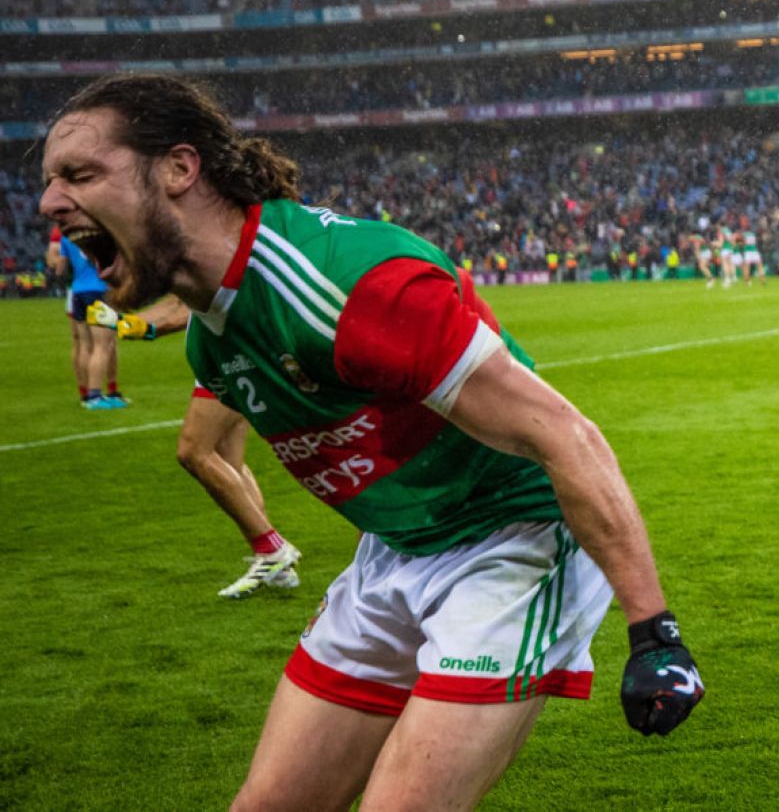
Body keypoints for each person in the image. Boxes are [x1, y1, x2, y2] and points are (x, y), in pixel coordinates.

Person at [40, 73, 703, 810]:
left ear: (178, 168)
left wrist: (655, 632)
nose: (49, 201)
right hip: (394, 551)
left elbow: (566, 434)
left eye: (80, 173)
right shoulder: (213, 342)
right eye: (50, 180)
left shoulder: (350, 287)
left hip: (512, 538)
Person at [88, 295, 303, 599]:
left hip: (236, 356)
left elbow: (189, 309)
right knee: (230, 462)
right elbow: (178, 301)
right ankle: (274, 563)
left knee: (193, 451)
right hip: (224, 355)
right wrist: (122, 320)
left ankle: (271, 549)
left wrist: (140, 326)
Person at [46, 226, 128, 408]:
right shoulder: (102, 235)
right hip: (99, 290)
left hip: (77, 291)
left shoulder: (68, 237)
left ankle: (86, 394)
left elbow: (60, 268)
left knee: (84, 344)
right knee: (103, 345)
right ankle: (95, 396)